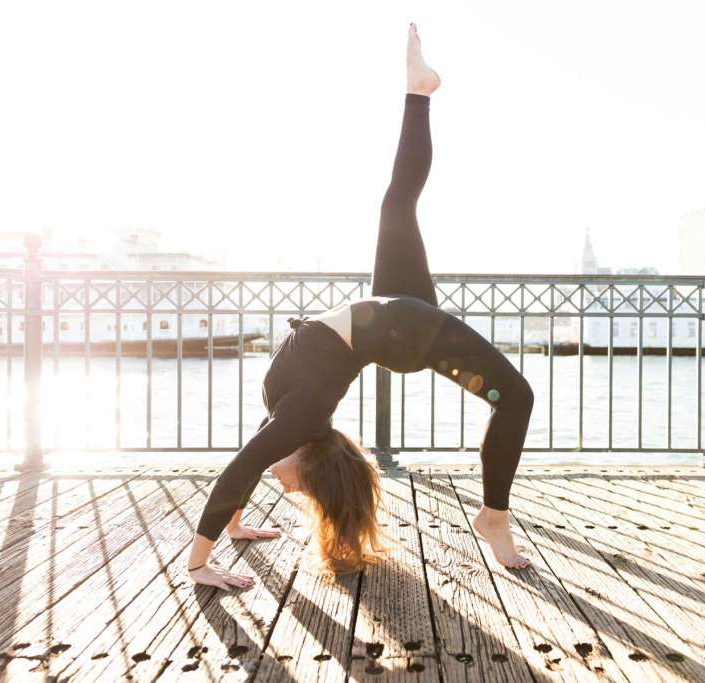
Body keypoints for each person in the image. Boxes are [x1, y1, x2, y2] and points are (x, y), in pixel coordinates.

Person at [187, 23, 535, 590]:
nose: (291, 489)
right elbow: (247, 463)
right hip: (397, 328)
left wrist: (235, 524)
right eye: (302, 488)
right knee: (516, 397)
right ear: (309, 458)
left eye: (291, 489)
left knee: (397, 203)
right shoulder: (301, 418)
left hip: (389, 321)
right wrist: (199, 564)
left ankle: (417, 91)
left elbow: (248, 461)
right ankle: (494, 517)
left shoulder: (287, 419)